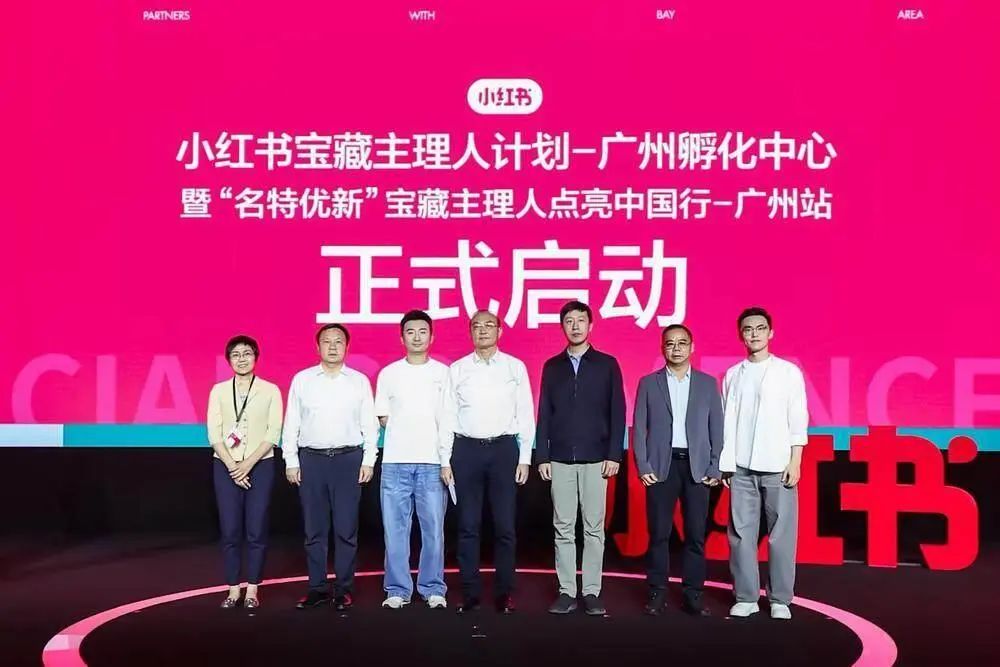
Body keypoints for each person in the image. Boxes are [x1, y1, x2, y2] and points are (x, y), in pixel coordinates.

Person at [441, 310, 535, 614]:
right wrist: (445, 459)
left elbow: (525, 414)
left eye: (489, 325)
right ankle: (470, 593)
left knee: (505, 526)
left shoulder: (514, 367)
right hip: (466, 450)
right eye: (477, 326)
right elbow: (447, 416)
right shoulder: (457, 369)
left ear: (500, 331)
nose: (482, 331)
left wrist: (525, 457)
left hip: (504, 450)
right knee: (468, 525)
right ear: (470, 332)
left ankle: (505, 593)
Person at [535, 300, 625, 616]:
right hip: (559, 458)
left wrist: (614, 454)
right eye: (569, 321)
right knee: (562, 527)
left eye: (580, 320)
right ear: (562, 326)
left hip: (596, 459)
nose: (575, 326)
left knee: (593, 528)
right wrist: (542, 456)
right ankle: (566, 590)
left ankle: (591, 591)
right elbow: (544, 413)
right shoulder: (552, 366)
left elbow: (617, 412)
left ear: (591, 325)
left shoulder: (607, 364)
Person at [720, 307, 809, 620]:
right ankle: (746, 596)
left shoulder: (788, 372)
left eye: (760, 328)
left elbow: (798, 418)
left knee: (781, 535)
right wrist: (727, 464)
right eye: (748, 329)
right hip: (741, 467)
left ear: (770, 332)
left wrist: (795, 460)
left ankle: (780, 598)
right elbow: (727, 422)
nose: (754, 334)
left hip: (778, 465)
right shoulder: (733, 374)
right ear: (741, 335)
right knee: (741, 534)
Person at [282, 323, 378, 611]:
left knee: (346, 529)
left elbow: (369, 424)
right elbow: (292, 423)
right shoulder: (303, 380)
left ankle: (343, 589)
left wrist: (369, 460)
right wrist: (291, 460)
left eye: (338, 341)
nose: (333, 346)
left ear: (347, 347)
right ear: (318, 346)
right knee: (314, 529)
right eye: (327, 341)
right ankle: (317, 588)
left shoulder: (359, 381)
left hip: (349, 460)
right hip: (311, 460)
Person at [632, 324, 722, 616]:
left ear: (692, 347)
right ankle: (657, 592)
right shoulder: (649, 383)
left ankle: (693, 594)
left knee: (695, 535)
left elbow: (717, 429)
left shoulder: (708, 384)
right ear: (663, 348)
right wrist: (643, 465)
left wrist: (715, 466)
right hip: (662, 466)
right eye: (670, 343)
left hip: (697, 468)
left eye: (682, 343)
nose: (676, 348)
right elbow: (638, 428)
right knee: (659, 533)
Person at [375, 310, 450, 610]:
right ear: (401, 337)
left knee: (434, 530)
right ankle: (397, 589)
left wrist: (445, 459)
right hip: (395, 462)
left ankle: (433, 587)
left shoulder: (443, 373)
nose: (417, 337)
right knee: (395, 530)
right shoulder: (389, 373)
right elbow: (383, 417)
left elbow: (448, 419)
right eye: (410, 331)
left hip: (432, 462)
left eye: (422, 331)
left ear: (431, 336)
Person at [207, 335, 283, 609]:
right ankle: (232, 589)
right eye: (236, 354)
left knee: (256, 529)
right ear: (229, 360)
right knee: (230, 530)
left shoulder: (270, 390)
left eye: (247, 353)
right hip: (225, 465)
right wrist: (232, 466)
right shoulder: (218, 391)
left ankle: (252, 589)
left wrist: (247, 464)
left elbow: (273, 432)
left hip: (260, 464)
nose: (242, 359)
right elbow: (214, 434)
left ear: (256, 357)